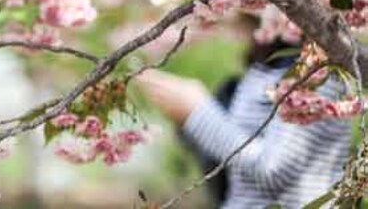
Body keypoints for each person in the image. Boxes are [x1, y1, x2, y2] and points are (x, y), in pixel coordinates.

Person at [136, 25, 352, 208]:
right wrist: (188, 121)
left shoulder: (317, 69)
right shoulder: (263, 66)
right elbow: (238, 173)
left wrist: (197, 112)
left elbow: (274, 168)